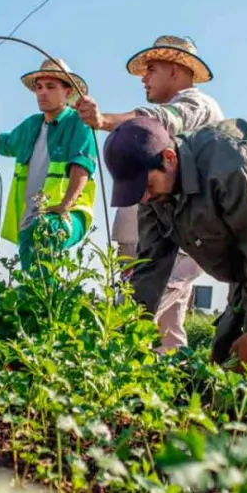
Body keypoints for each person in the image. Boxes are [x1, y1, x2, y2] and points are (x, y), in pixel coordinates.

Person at [103, 116, 247, 371]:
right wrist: (128, 337)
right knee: (226, 350)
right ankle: (234, 407)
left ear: (169, 159)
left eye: (147, 185)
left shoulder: (230, 167)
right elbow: (149, 269)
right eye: (136, 191)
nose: (144, 196)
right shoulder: (152, 198)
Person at [75, 35, 224, 352]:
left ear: (176, 69)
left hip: (179, 232)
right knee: (168, 323)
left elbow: (158, 120)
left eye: (151, 68)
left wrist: (103, 121)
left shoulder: (198, 105)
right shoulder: (169, 110)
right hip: (147, 228)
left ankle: (116, 372)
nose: (144, 77)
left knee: (144, 304)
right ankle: (170, 383)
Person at [0, 58, 97, 271]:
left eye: (50, 87)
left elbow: (81, 166)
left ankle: (52, 302)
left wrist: (65, 205)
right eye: (38, 87)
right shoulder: (31, 126)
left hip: (69, 212)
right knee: (34, 269)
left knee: (44, 236)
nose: (42, 93)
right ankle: (47, 302)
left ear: (67, 92)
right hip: (32, 214)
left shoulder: (77, 122)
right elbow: (5, 143)